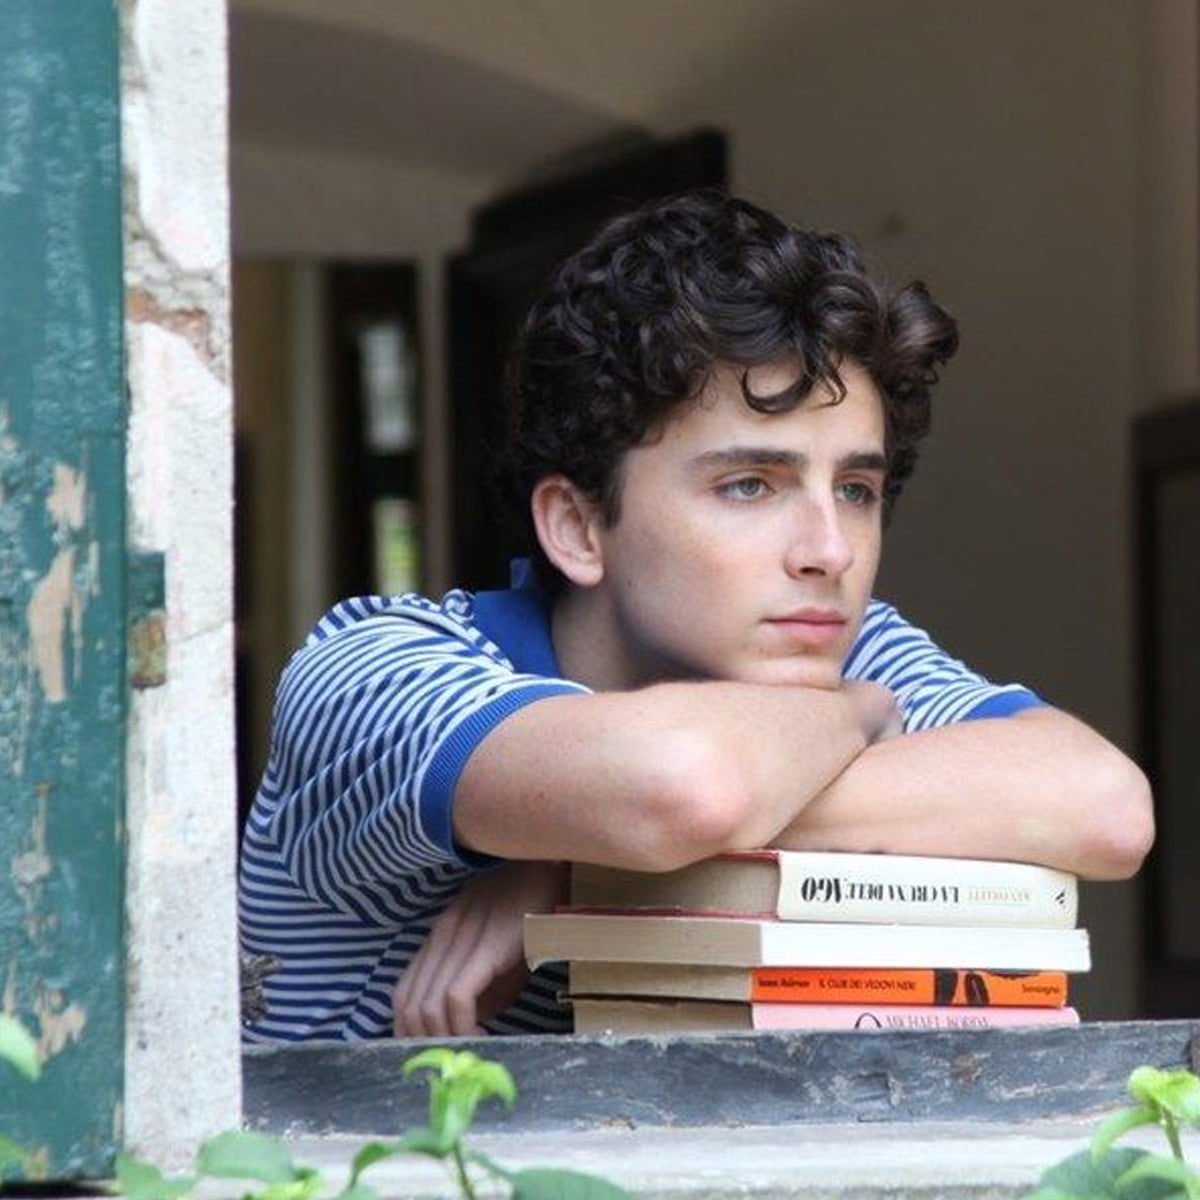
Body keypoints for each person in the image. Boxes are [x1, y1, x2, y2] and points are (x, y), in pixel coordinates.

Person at [239, 191, 1153, 1043]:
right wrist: (857, 713)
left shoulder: (831, 641)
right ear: (579, 527)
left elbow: (1105, 807)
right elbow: (685, 786)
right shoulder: (374, 669)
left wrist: (570, 864)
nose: (830, 552)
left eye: (856, 489)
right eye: (750, 484)